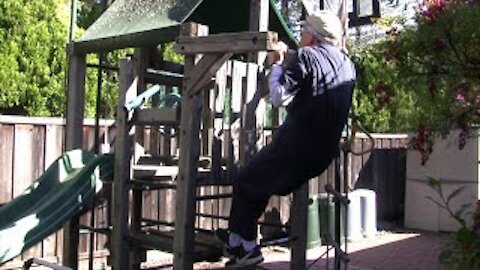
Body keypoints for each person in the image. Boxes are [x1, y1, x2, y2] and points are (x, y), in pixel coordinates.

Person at [216, 11, 357, 269]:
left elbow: (279, 97)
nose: (300, 36)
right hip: (322, 155)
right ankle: (236, 242)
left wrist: (279, 64)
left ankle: (246, 247)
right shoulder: (347, 64)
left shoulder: (305, 56)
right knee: (259, 184)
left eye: (303, 31)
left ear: (312, 36)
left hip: (296, 146)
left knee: (245, 180)